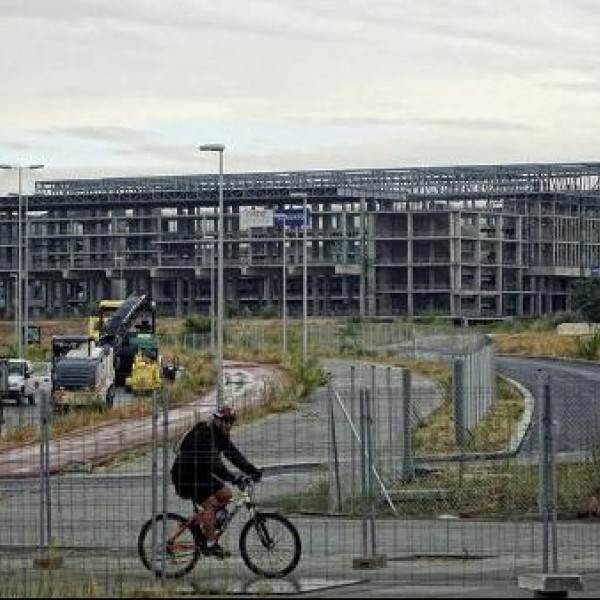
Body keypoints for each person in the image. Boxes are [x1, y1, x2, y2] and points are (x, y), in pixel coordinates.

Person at [170, 404, 262, 559]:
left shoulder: (221, 435)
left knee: (226, 495)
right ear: (216, 420)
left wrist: (252, 470)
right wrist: (233, 478)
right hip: (185, 475)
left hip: (200, 474)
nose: (228, 425)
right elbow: (213, 462)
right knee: (210, 504)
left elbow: (233, 455)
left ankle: (202, 524)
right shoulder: (206, 432)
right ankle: (211, 544)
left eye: (231, 422)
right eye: (224, 421)